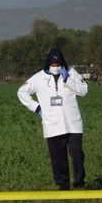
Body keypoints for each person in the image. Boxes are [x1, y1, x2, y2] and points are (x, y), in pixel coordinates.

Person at [17, 48, 88, 190]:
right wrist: (36, 108)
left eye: (58, 64)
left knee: (77, 154)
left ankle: (79, 184)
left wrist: (67, 79)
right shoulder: (38, 78)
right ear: (48, 64)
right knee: (58, 159)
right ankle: (63, 186)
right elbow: (22, 92)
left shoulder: (71, 73)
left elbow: (84, 91)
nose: (56, 67)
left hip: (73, 123)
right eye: (53, 64)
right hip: (52, 125)